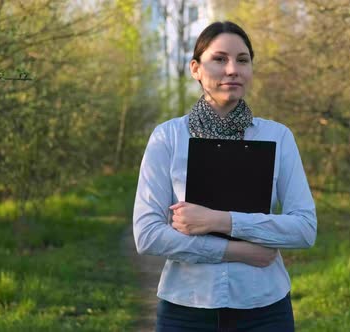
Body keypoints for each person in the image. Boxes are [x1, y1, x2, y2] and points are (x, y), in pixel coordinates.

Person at [133, 21, 317, 332]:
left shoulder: (278, 137)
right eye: (219, 59)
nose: (232, 69)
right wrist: (236, 251)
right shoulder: (168, 137)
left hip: (265, 308)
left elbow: (304, 228)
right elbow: (148, 234)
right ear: (196, 69)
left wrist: (219, 221)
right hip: (186, 308)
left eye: (242, 60)